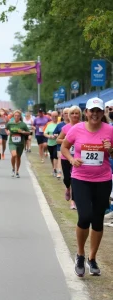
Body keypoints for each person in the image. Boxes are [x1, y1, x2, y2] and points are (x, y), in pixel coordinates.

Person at [61, 98, 113, 277]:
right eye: (92, 111)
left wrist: (111, 149)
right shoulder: (77, 129)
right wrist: (71, 159)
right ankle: (80, 255)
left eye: (99, 110)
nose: (95, 114)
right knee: (85, 217)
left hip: (103, 179)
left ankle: (92, 258)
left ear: (102, 112)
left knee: (97, 220)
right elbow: (64, 147)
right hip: (81, 178)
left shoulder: (110, 130)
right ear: (87, 112)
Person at [57, 106, 82, 210]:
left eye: (77, 113)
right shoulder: (66, 127)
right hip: (65, 157)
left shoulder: (83, 126)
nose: (75, 115)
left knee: (74, 180)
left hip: (78, 158)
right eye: (72, 113)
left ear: (80, 115)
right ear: (69, 115)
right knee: (67, 179)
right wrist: (68, 142)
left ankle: (73, 201)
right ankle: (68, 189)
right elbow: (58, 140)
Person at [6, 110, 30, 178]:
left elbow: (28, 132)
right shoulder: (10, 123)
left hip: (20, 143)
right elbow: (6, 128)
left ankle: (17, 171)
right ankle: (13, 169)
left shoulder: (23, 124)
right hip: (12, 142)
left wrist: (22, 132)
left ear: (20, 117)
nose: (16, 117)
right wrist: (7, 132)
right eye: (15, 115)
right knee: (14, 155)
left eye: (18, 116)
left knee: (18, 157)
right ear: (13, 116)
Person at [53, 108, 69, 179]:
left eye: (68, 113)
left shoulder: (76, 124)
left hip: (72, 146)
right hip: (61, 145)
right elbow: (54, 133)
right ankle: (59, 171)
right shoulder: (60, 125)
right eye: (65, 113)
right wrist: (56, 135)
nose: (67, 115)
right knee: (60, 157)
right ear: (62, 115)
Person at [44, 111, 59, 177]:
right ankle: (53, 168)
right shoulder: (49, 124)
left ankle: (55, 169)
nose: (54, 118)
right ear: (51, 117)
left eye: (56, 116)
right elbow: (45, 133)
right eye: (53, 116)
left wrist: (57, 136)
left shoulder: (60, 124)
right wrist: (50, 136)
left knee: (56, 155)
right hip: (50, 143)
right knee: (52, 156)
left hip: (57, 143)